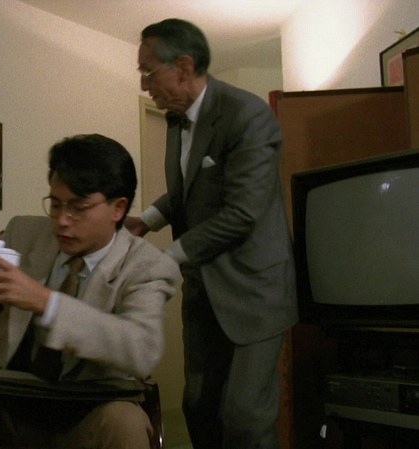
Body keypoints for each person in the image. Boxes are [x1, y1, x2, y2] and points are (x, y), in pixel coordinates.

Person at [0, 134, 181, 449]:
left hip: (89, 410)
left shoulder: (146, 266)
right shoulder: (24, 232)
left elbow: (142, 350)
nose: (62, 220)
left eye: (78, 208)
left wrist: (46, 303)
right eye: (55, 204)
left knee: (126, 422)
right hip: (13, 399)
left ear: (118, 208)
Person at [127, 18, 298, 449]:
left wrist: (167, 257)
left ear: (184, 67)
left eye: (148, 71)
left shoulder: (247, 115)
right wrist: (145, 219)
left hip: (255, 291)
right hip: (204, 288)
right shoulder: (177, 118)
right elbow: (190, 191)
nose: (144, 83)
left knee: (245, 419)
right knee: (199, 407)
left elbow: (242, 212)